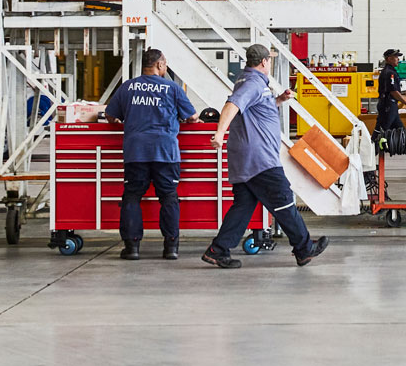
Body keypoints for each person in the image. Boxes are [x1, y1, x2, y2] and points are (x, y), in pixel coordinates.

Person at [203, 44, 329, 269]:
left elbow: (254, 108)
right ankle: (304, 248)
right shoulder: (252, 83)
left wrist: (279, 100)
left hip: (246, 158)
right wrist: (220, 133)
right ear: (263, 62)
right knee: (283, 200)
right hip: (259, 159)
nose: (269, 63)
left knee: (243, 205)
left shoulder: (248, 81)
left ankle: (218, 250)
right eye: (269, 60)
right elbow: (232, 105)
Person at [105, 48, 196, 261]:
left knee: (132, 196)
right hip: (165, 151)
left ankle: (132, 248)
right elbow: (192, 116)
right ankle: (171, 248)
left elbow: (110, 115)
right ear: (160, 65)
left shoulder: (128, 87)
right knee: (169, 197)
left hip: (136, 151)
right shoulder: (172, 88)